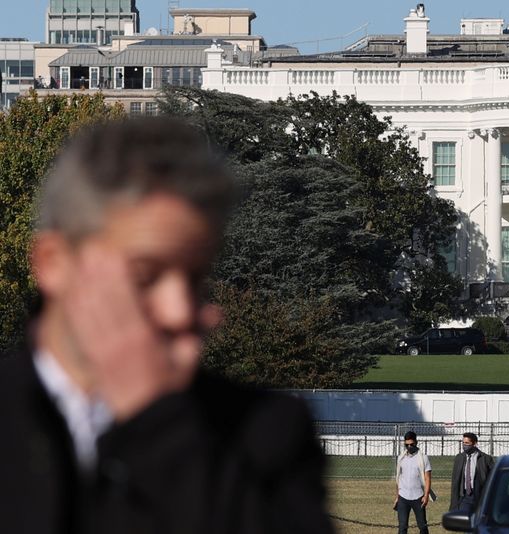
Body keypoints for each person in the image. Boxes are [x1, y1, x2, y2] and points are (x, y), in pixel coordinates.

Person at [0, 118, 333, 534]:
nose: (179, 310)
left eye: (196, 279)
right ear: (53, 263)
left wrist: (159, 425)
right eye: (145, 276)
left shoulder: (265, 433)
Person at [394, 431, 432, 534]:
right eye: (407, 445)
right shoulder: (401, 457)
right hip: (403, 497)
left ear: (416, 442)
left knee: (423, 527)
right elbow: (398, 478)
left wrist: (426, 495)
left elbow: (427, 478)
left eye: (412, 444)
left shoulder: (423, 458)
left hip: (418, 497)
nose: (409, 447)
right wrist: (397, 496)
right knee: (402, 528)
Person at [450, 432, 495, 513]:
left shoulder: (485, 459)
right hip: (465, 495)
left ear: (474, 443)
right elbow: (455, 481)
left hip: (480, 495)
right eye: (463, 443)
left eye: (467, 443)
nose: (464, 445)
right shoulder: (459, 458)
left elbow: (493, 477)